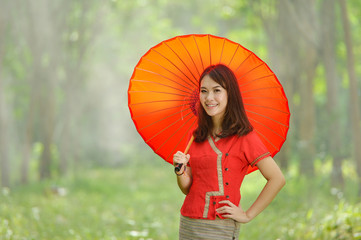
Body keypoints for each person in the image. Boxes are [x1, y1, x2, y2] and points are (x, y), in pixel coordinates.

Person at [173, 64, 286, 240]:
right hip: (189, 224)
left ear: (229, 94)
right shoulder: (195, 135)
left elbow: (277, 178)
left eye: (216, 90)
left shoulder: (244, 136)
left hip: (221, 227)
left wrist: (247, 215)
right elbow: (187, 189)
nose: (209, 97)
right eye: (203, 91)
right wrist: (179, 171)